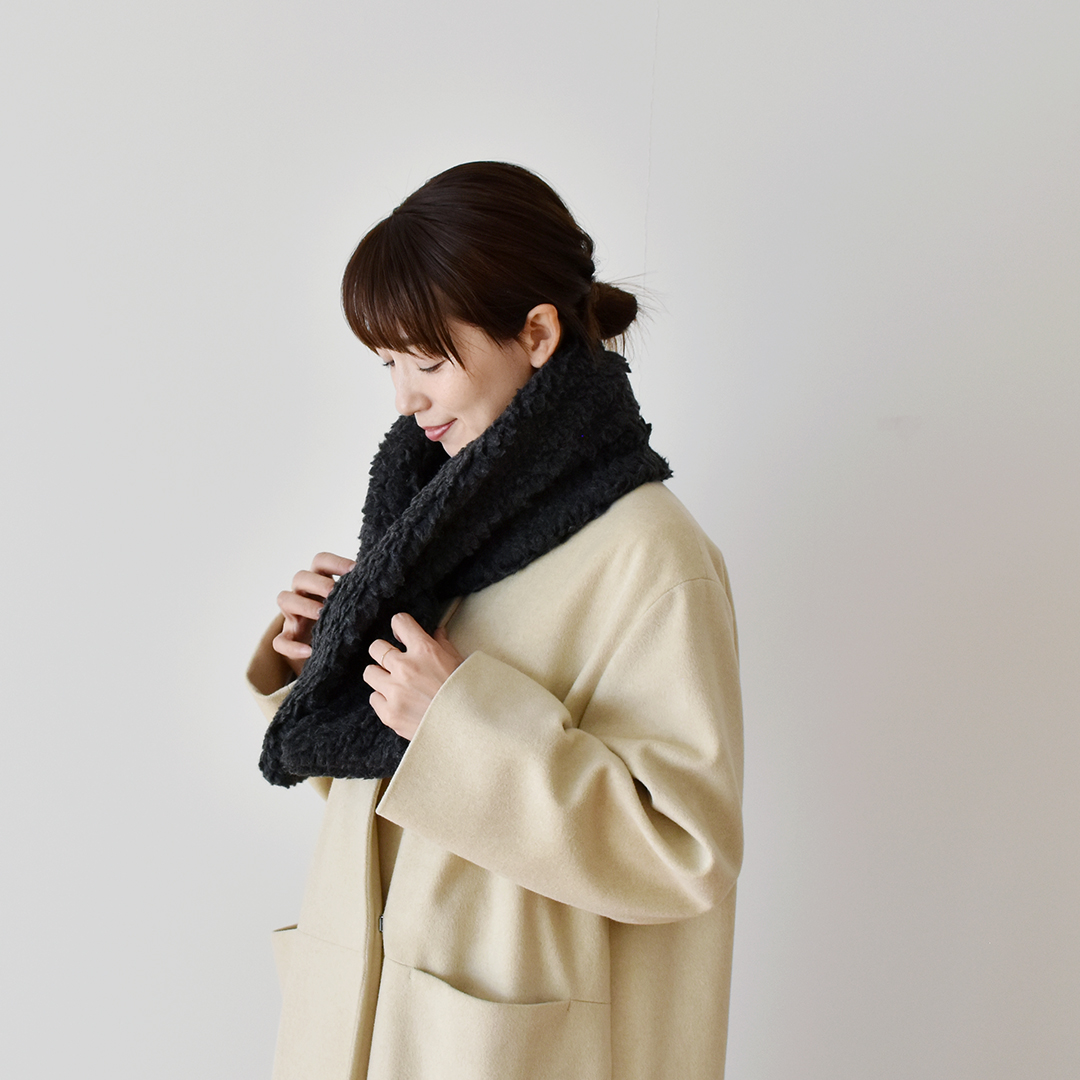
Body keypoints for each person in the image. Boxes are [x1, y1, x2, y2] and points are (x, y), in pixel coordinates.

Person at [246, 161, 744, 1080]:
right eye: (389, 363)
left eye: (428, 360)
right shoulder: (432, 523)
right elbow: (403, 803)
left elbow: (684, 856)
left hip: (509, 1047)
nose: (405, 398)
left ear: (538, 333)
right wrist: (333, 668)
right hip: (371, 1023)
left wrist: (456, 721)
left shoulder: (652, 555)